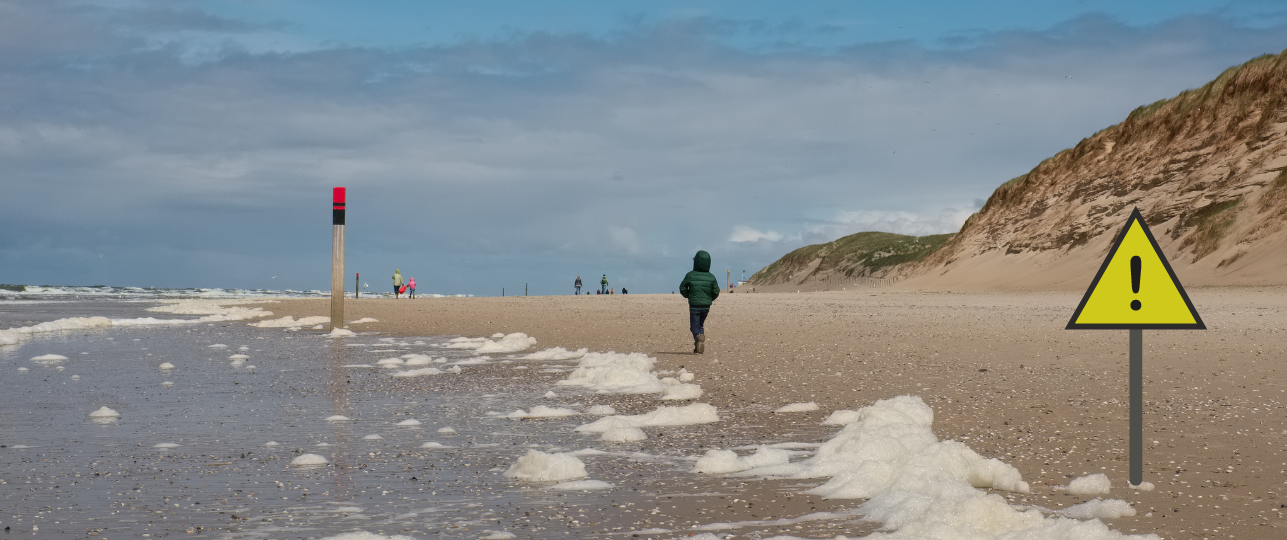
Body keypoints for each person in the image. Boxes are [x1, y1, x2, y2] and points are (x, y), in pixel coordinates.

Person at [679, 250, 720, 354]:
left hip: (694, 305)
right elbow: (716, 291)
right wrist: (709, 299)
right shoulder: (711, 277)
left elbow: (682, 287)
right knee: (700, 325)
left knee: (694, 326)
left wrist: (689, 296)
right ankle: (698, 346)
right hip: (706, 306)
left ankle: (698, 337)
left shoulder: (690, 275)